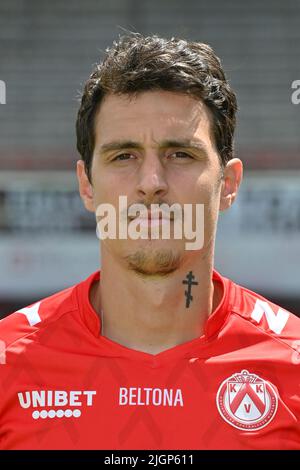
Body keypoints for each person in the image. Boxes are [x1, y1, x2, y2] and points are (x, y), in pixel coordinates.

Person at [0, 33, 299, 450]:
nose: (151, 184)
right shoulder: (8, 363)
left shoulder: (291, 365)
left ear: (229, 184)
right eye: (124, 155)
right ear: (87, 186)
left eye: (180, 154)